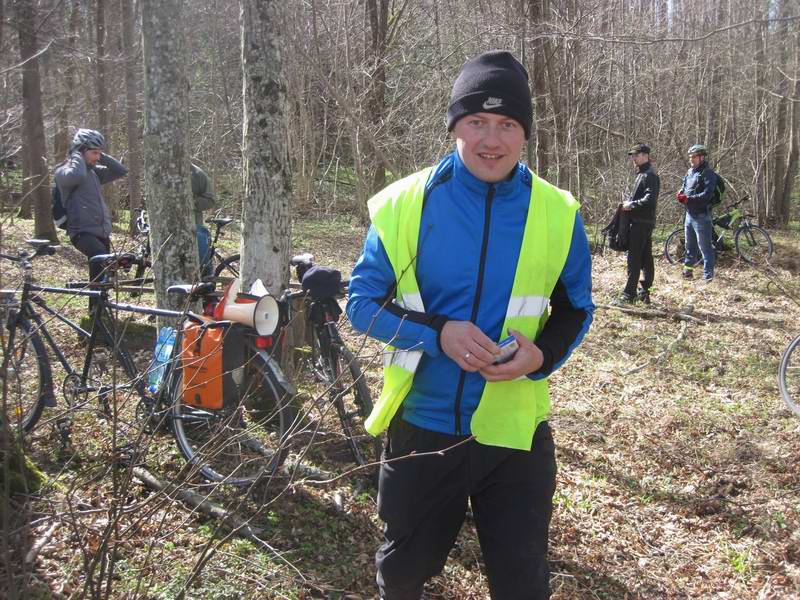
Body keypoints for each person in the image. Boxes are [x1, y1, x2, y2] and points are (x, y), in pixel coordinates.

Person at [346, 50, 594, 600]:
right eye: (477, 121)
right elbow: (360, 302)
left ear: (525, 134)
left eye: (507, 124)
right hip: (423, 427)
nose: (492, 139)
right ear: (454, 125)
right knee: (405, 574)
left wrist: (543, 355)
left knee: (522, 585)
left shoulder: (557, 212)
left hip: (515, 435)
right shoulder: (404, 204)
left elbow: (577, 308)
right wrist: (437, 334)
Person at [54, 129, 127, 301]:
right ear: (81, 150)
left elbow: (120, 170)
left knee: (104, 273)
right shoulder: (63, 173)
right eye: (94, 153)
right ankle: (95, 315)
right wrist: (76, 155)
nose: (97, 157)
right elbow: (77, 175)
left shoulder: (94, 172)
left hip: (101, 231)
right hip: (81, 231)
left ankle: (100, 309)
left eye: (99, 153)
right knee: (100, 260)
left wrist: (99, 155)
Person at [611, 143, 660, 306]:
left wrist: (631, 205)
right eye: (632, 155)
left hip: (641, 223)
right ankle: (644, 293)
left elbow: (650, 199)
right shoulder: (642, 174)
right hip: (642, 222)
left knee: (634, 259)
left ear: (645, 156)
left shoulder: (649, 175)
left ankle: (628, 294)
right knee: (645, 258)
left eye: (636, 155)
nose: (633, 158)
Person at [676, 143, 718, 282]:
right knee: (690, 246)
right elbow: (684, 187)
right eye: (690, 157)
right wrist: (680, 194)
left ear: (701, 157)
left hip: (702, 216)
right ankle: (687, 272)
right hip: (689, 214)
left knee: (705, 248)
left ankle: (708, 277)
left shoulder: (708, 174)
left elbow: (707, 195)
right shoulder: (690, 172)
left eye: (694, 157)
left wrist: (688, 198)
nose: (691, 159)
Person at [190, 163, 216, 277]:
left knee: (201, 258)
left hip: (193, 225)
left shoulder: (197, 174)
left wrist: (191, 202)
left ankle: (206, 277)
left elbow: (210, 200)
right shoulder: (159, 168)